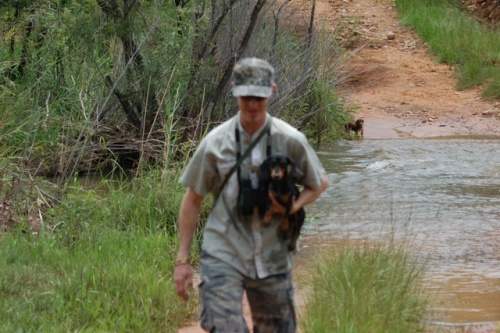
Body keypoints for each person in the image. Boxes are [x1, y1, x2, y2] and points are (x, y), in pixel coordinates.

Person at [174, 57, 329, 333]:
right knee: (225, 327)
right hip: (223, 251)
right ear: (234, 90)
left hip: (272, 255)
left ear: (272, 91)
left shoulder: (290, 139)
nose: (253, 104)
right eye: (246, 96)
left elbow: (319, 182)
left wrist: (293, 207)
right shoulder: (215, 143)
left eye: (259, 95)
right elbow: (192, 199)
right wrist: (182, 260)